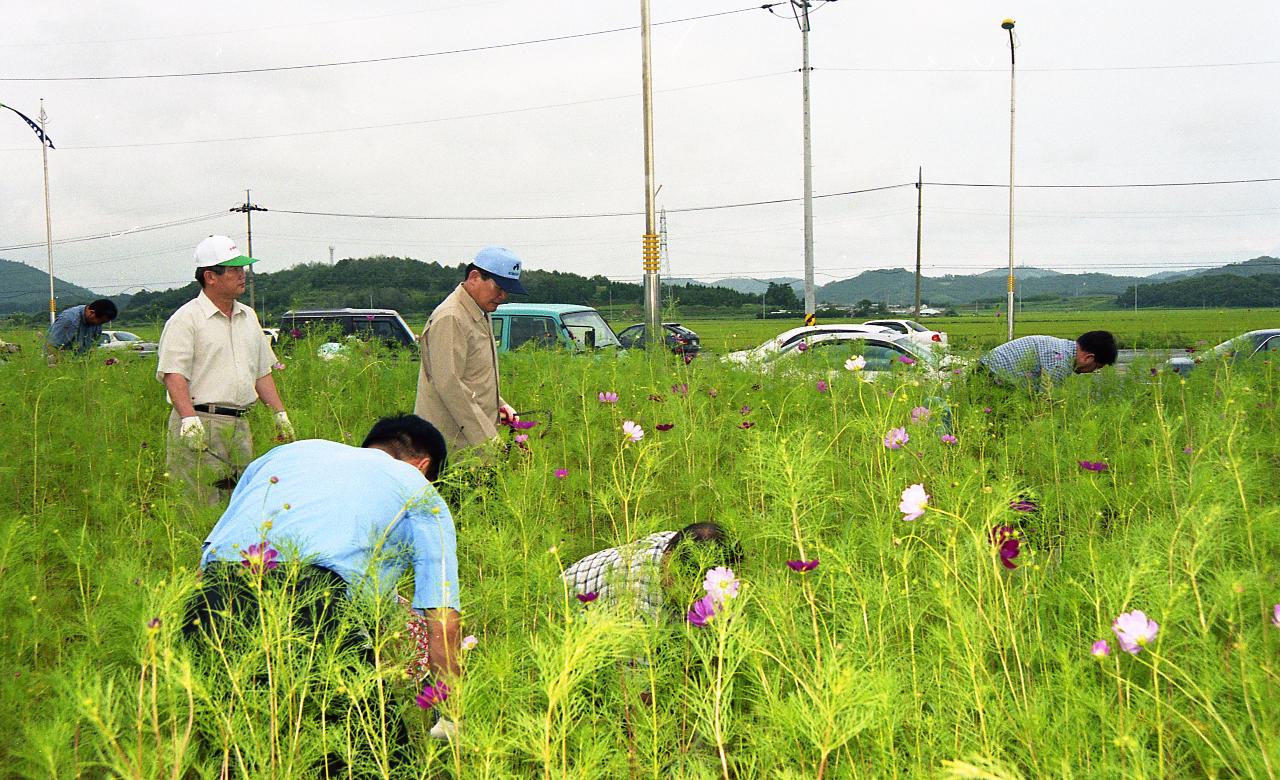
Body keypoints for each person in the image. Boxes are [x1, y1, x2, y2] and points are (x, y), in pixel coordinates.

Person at [186, 414, 462, 740]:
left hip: (214, 603)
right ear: (424, 466)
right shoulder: (417, 487)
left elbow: (210, 558)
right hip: (313, 610)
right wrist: (453, 715)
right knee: (371, 758)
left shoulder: (284, 455)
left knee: (237, 749)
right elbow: (442, 620)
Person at [156, 235, 294, 503]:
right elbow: (174, 375)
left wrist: (280, 413)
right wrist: (188, 419)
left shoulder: (248, 317)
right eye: (233, 270)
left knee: (239, 501)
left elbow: (261, 372)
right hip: (201, 421)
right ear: (210, 276)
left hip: (239, 424)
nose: (242, 275)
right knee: (198, 501)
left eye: (242, 269)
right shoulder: (187, 319)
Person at [415, 246, 527, 453]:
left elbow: (474, 378)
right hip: (452, 447)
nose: (503, 296)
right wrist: (490, 442)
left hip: (474, 443)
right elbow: (451, 386)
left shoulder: (480, 311)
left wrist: (501, 406)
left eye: (507, 290)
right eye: (498, 287)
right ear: (475, 277)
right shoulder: (452, 317)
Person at [562, 522, 743, 622]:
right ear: (667, 560)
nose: (694, 597)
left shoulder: (684, 544)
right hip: (565, 614)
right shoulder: (638, 590)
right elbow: (635, 675)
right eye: (690, 587)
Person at [978, 331, 1118, 389]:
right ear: (1089, 358)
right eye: (1096, 367)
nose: (1091, 371)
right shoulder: (1060, 361)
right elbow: (1046, 402)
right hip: (990, 378)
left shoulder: (1063, 348)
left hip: (987, 372)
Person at [45, 298, 117, 358]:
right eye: (101, 321)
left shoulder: (97, 323)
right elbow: (51, 346)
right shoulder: (69, 320)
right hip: (63, 366)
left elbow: (92, 347)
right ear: (91, 313)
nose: (99, 325)